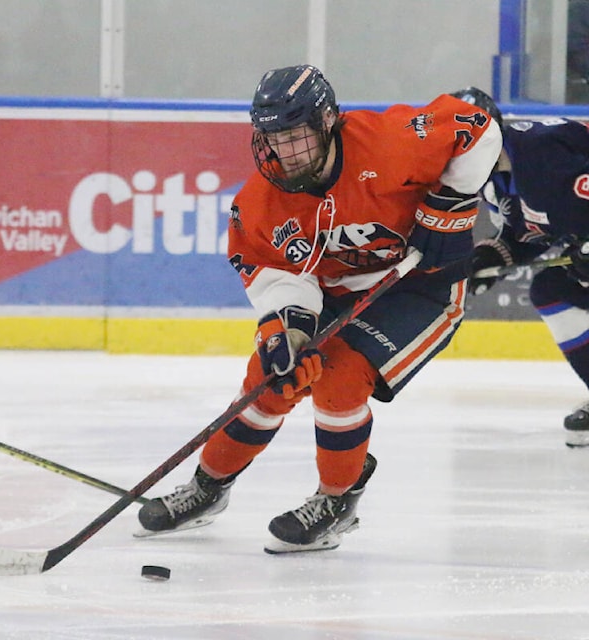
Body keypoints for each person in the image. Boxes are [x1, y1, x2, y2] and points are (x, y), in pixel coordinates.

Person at [135, 65, 502, 553]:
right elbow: (277, 274)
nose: (281, 153)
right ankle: (208, 487)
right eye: (271, 139)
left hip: (421, 287)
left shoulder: (390, 141)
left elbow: (477, 128)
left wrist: (449, 204)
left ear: (327, 121)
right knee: (272, 378)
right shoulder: (259, 204)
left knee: (341, 376)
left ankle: (337, 500)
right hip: (336, 290)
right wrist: (287, 332)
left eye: (294, 137)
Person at [465, 91, 589, 447]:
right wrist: (492, 256)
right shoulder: (494, 183)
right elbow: (528, 233)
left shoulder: (541, 152)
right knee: (551, 289)